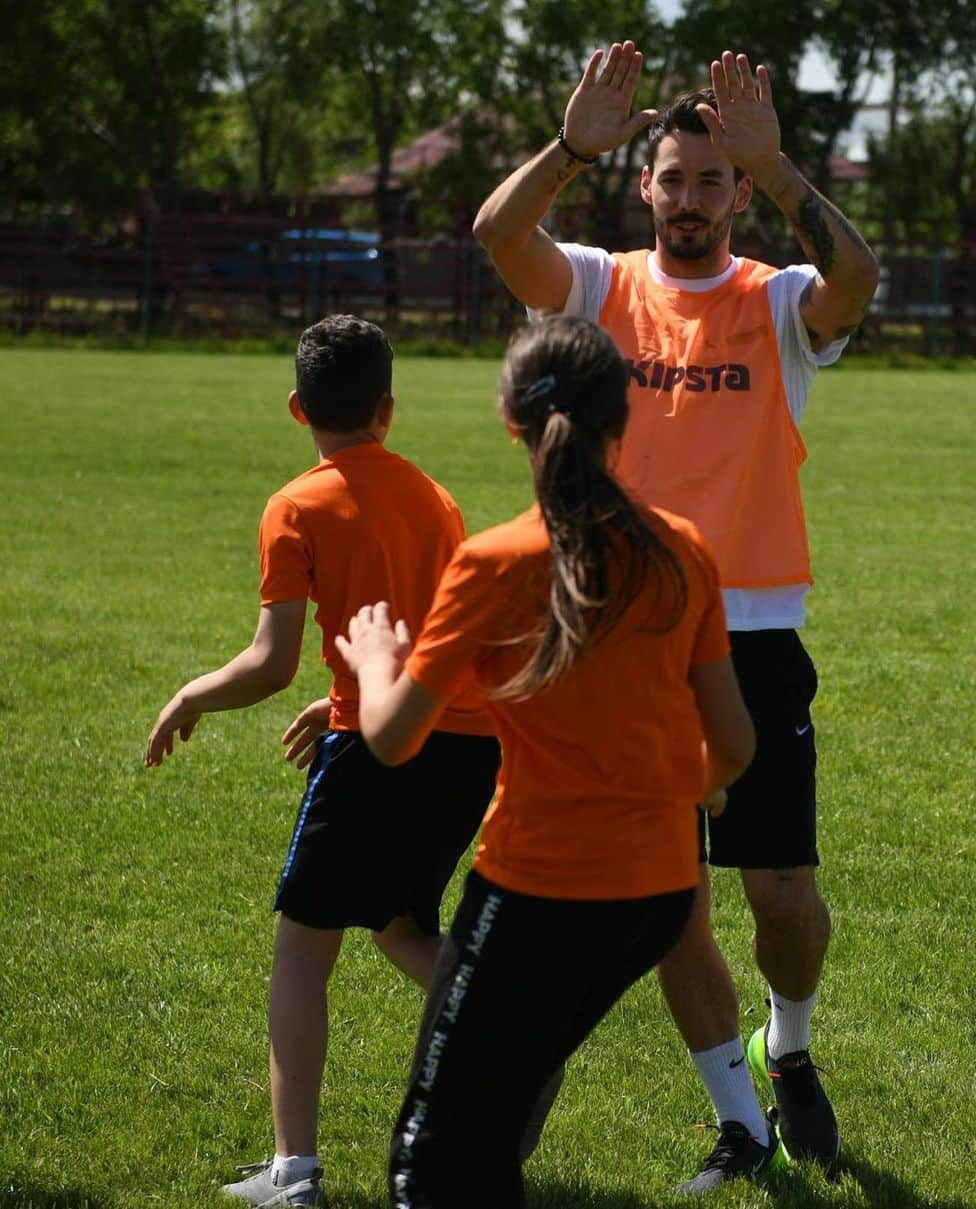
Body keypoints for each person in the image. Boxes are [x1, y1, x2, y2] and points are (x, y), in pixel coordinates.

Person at [472, 40, 879, 1190]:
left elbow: (860, 282)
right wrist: (569, 148)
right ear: (644, 186)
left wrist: (787, 168)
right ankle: (740, 1122)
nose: (690, 198)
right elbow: (499, 240)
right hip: (624, 636)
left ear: (738, 194)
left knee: (784, 897)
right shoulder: (602, 286)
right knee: (675, 904)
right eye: (672, 178)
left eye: (713, 181)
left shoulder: (781, 298)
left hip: (753, 637)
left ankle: (788, 1045)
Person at [332, 314, 756, 1208]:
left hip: (538, 893)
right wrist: (698, 783)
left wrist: (376, 658)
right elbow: (736, 745)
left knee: (433, 1154)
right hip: (658, 893)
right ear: (623, 419)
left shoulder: (494, 561)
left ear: (510, 421)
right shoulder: (683, 549)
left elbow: (395, 737)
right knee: (495, 1105)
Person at [144, 315, 500, 1208]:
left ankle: (293, 1173)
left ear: (299, 406)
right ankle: (507, 1037)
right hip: (462, 741)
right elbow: (431, 635)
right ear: (387, 407)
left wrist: (193, 693)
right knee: (395, 922)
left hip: (375, 747)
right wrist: (342, 687)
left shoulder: (296, 504)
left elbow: (268, 661)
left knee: (303, 948)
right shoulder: (435, 495)